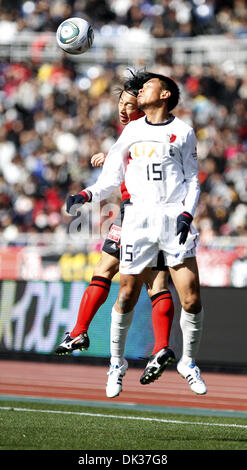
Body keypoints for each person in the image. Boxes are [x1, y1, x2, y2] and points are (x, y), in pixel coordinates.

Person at [63, 70, 207, 397]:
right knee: (126, 294)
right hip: (138, 219)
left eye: (147, 86)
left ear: (165, 94)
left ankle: (187, 361)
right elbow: (111, 179)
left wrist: (187, 212)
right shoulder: (131, 132)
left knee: (192, 297)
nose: (141, 91)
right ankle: (117, 364)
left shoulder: (184, 132)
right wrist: (85, 195)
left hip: (173, 218)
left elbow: (193, 180)